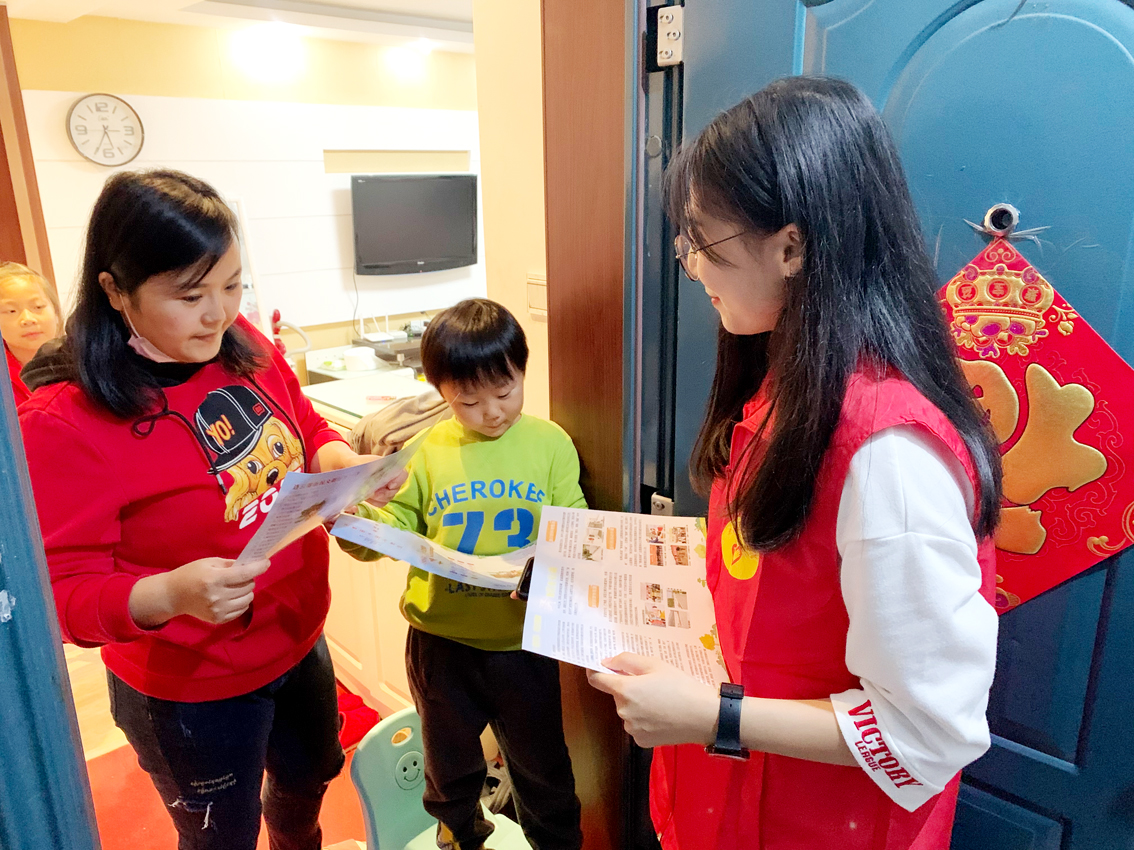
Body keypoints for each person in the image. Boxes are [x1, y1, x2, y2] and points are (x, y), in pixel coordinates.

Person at [588, 77, 1002, 849]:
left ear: (790, 246)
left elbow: (931, 730)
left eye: (702, 242)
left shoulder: (889, 453)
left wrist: (716, 716)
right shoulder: (788, 385)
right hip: (734, 803)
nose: (692, 268)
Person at [19, 169, 405, 850]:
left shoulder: (238, 341)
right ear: (115, 290)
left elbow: (303, 420)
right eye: (190, 295)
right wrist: (169, 593)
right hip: (189, 685)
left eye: (232, 286)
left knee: (309, 779)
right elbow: (61, 595)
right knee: (221, 834)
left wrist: (337, 457)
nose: (218, 314)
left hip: (296, 633)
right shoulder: (63, 420)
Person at [339, 298, 585, 850]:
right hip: (440, 642)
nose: (492, 412)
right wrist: (355, 526)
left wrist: (561, 561)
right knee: (449, 770)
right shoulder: (426, 450)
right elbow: (395, 526)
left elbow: (572, 524)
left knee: (544, 770)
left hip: (523, 644)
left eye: (505, 391)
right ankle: (459, 835)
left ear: (523, 370)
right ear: (442, 393)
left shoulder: (550, 443)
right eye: (469, 401)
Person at [0, 261, 60, 406]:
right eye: (11, 311)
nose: (27, 319)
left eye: (38, 307)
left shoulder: (83, 362)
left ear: (56, 313)